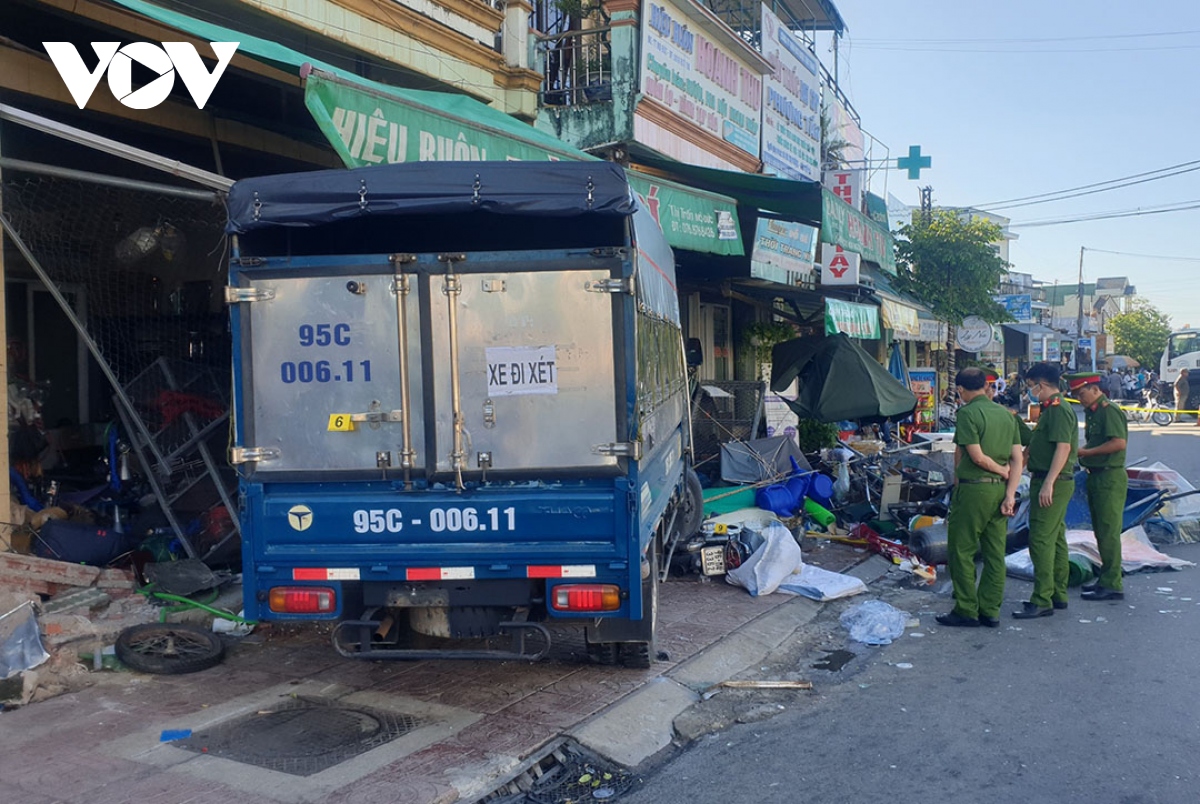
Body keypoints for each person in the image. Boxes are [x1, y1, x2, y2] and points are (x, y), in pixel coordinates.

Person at [937, 368, 1023, 628]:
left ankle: (966, 609)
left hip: (975, 490)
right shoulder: (1006, 416)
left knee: (961, 550)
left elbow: (975, 456)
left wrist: (999, 469)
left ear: (961, 390)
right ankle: (990, 610)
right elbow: (1017, 459)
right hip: (999, 491)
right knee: (995, 553)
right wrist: (1010, 493)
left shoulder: (967, 413)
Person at [1014, 362, 1078, 620]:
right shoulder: (1050, 410)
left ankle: (1042, 599)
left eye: (1030, 387)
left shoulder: (1059, 410)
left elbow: (1063, 448)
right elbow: (1036, 445)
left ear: (1040, 385)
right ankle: (1057, 594)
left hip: (1054, 480)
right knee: (1056, 539)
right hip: (1050, 479)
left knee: (1040, 539)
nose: (1029, 392)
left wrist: (1050, 482)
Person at [1069, 373, 1128, 601]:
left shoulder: (1108, 410)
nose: (1079, 399)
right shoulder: (1093, 411)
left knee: (1109, 532)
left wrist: (1085, 452)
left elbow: (1118, 443)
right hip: (1096, 475)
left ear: (1094, 389)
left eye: (1081, 394)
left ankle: (1113, 583)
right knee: (1100, 532)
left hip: (1109, 476)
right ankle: (1105, 578)